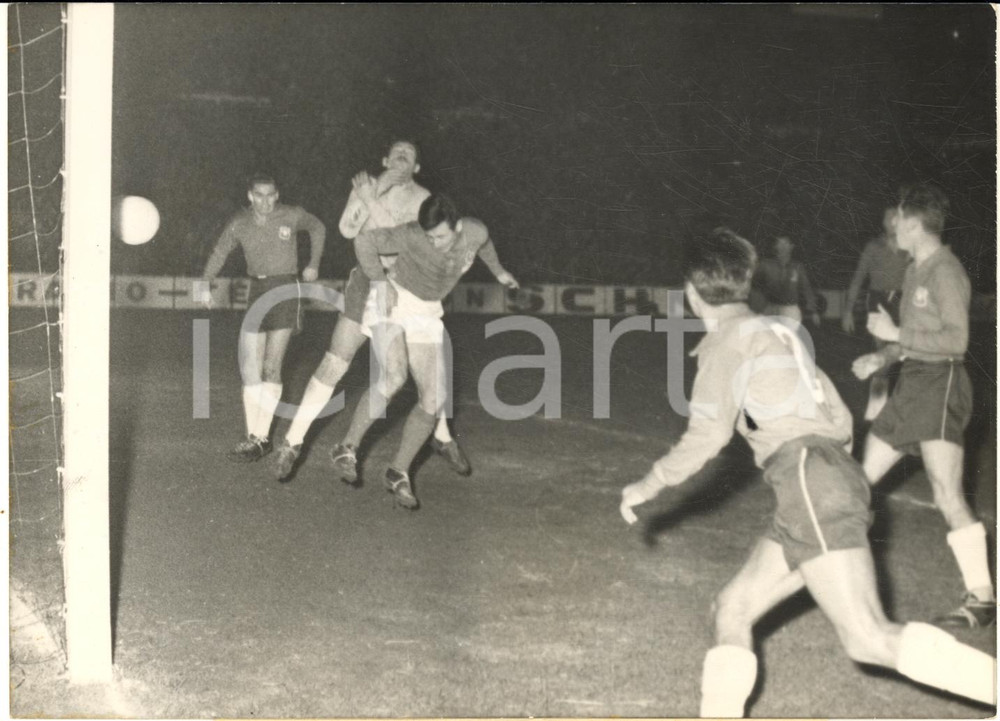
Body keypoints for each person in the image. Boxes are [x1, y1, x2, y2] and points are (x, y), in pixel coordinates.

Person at [620, 228, 995, 717]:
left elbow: (707, 437)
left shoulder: (726, 342)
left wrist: (646, 485)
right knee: (731, 608)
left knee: (869, 639)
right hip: (824, 477)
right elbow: (837, 416)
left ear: (692, 293)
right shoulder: (779, 330)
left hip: (808, 482)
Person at [270, 141, 473, 481]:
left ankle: (441, 436)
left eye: (409, 155)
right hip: (367, 281)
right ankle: (292, 442)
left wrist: (369, 198)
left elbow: (401, 251)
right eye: (396, 154)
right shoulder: (369, 185)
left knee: (424, 373)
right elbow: (348, 230)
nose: (402, 158)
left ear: (418, 167)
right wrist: (371, 192)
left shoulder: (424, 200)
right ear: (384, 160)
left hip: (407, 291)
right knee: (334, 363)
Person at [854, 183, 994, 629]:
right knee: (857, 481)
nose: (891, 227)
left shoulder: (945, 271)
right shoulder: (914, 269)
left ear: (913, 225)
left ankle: (982, 595)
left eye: (897, 220)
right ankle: (844, 580)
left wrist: (896, 337)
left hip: (941, 386)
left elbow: (957, 340)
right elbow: (915, 339)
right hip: (913, 384)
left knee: (947, 494)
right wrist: (884, 355)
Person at [335, 193, 518, 510]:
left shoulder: (475, 231)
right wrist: (380, 283)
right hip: (394, 299)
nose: (435, 243)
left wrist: (499, 271)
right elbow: (364, 240)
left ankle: (398, 471)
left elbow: (484, 245)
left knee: (433, 398)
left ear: (458, 226)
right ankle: (346, 447)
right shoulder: (411, 234)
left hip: (427, 310)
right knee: (394, 376)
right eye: (430, 236)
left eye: (441, 236)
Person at [198, 173, 326, 462]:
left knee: (271, 367)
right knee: (249, 367)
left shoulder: (291, 215)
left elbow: (317, 227)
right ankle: (254, 435)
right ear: (250, 196)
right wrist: (204, 284)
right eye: (260, 195)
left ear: (277, 195)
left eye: (271, 195)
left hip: (284, 290)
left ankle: (260, 437)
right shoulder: (239, 222)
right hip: (256, 289)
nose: (266, 201)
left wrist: (314, 263)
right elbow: (219, 251)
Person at [841, 207, 911, 420]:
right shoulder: (873, 246)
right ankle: (876, 411)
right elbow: (858, 278)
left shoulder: (910, 247)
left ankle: (906, 411)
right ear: (882, 221)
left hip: (904, 302)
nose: (892, 221)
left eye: (896, 217)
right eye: (888, 217)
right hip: (879, 303)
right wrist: (847, 311)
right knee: (882, 357)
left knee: (908, 354)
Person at [750, 235, 821, 325]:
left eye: (785, 244)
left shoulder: (797, 267)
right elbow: (753, 284)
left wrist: (813, 311)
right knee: (769, 336)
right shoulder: (766, 265)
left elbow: (806, 289)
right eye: (779, 244)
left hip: (790, 310)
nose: (782, 247)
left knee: (788, 336)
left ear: (791, 247)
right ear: (775, 247)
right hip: (771, 307)